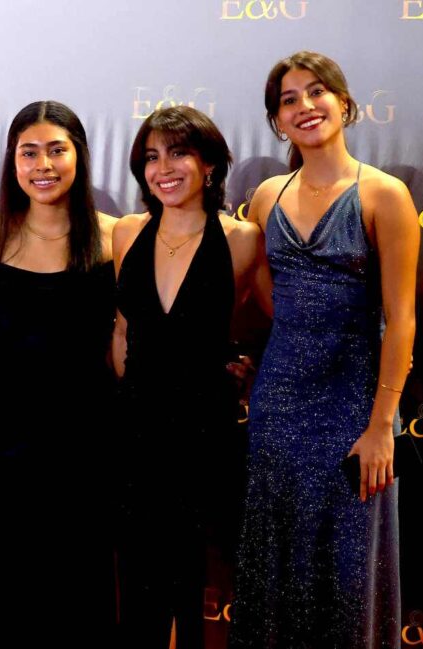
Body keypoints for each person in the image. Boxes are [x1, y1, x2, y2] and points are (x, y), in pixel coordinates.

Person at [231, 51, 417, 648]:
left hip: (355, 410)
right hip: (279, 406)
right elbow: (269, 296)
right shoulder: (267, 196)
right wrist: (287, 347)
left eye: (316, 92)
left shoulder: (385, 195)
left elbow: (402, 320)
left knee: (348, 566)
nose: (305, 106)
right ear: (277, 121)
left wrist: (382, 425)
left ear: (344, 103)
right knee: (275, 560)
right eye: (289, 100)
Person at [112, 105, 267, 648]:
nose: (164, 168)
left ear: (209, 164)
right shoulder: (126, 233)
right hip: (135, 433)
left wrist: (252, 368)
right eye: (151, 157)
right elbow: (122, 332)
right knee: (137, 585)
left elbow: (286, 322)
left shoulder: (243, 238)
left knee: (196, 582)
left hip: (206, 434)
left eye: (178, 153)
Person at [0, 100, 118, 648]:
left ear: (79, 155)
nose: (43, 165)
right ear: (12, 161)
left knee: (85, 566)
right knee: (14, 566)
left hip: (91, 425)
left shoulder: (115, 236)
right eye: (28, 152)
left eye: (57, 150)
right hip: (9, 424)